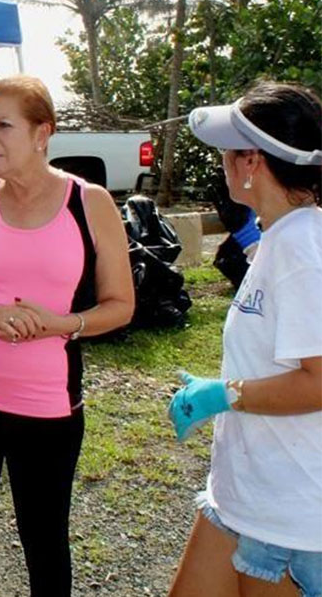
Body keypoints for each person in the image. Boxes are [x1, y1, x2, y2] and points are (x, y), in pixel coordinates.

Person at [0, 75, 134, 595]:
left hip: (47, 406)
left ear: (43, 133)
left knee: (44, 538)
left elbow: (122, 305)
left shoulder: (90, 204)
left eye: (3, 126)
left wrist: (62, 324)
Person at [168, 81, 322, 597]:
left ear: (252, 162)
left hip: (292, 519)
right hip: (243, 496)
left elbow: (320, 381)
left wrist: (225, 393)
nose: (223, 164)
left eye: (229, 153)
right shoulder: (279, 238)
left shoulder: (303, 248)